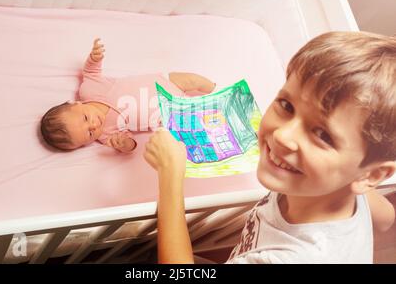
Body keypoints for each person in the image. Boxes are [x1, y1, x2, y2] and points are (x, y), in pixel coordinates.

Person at [143, 31, 396, 263]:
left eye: (322, 134)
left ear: (372, 175)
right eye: (287, 106)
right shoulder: (352, 187)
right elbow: (386, 218)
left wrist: (170, 174)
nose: (283, 136)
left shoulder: (294, 258)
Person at [40, 38, 215, 151]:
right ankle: (218, 109)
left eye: (86, 119)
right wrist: (123, 145)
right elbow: (131, 143)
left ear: (75, 104)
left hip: (162, 82)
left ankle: (214, 88)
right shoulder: (107, 135)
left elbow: (91, 71)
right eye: (89, 134)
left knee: (192, 80)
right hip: (167, 113)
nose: (93, 125)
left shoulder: (89, 90)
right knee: (196, 118)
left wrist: (95, 58)